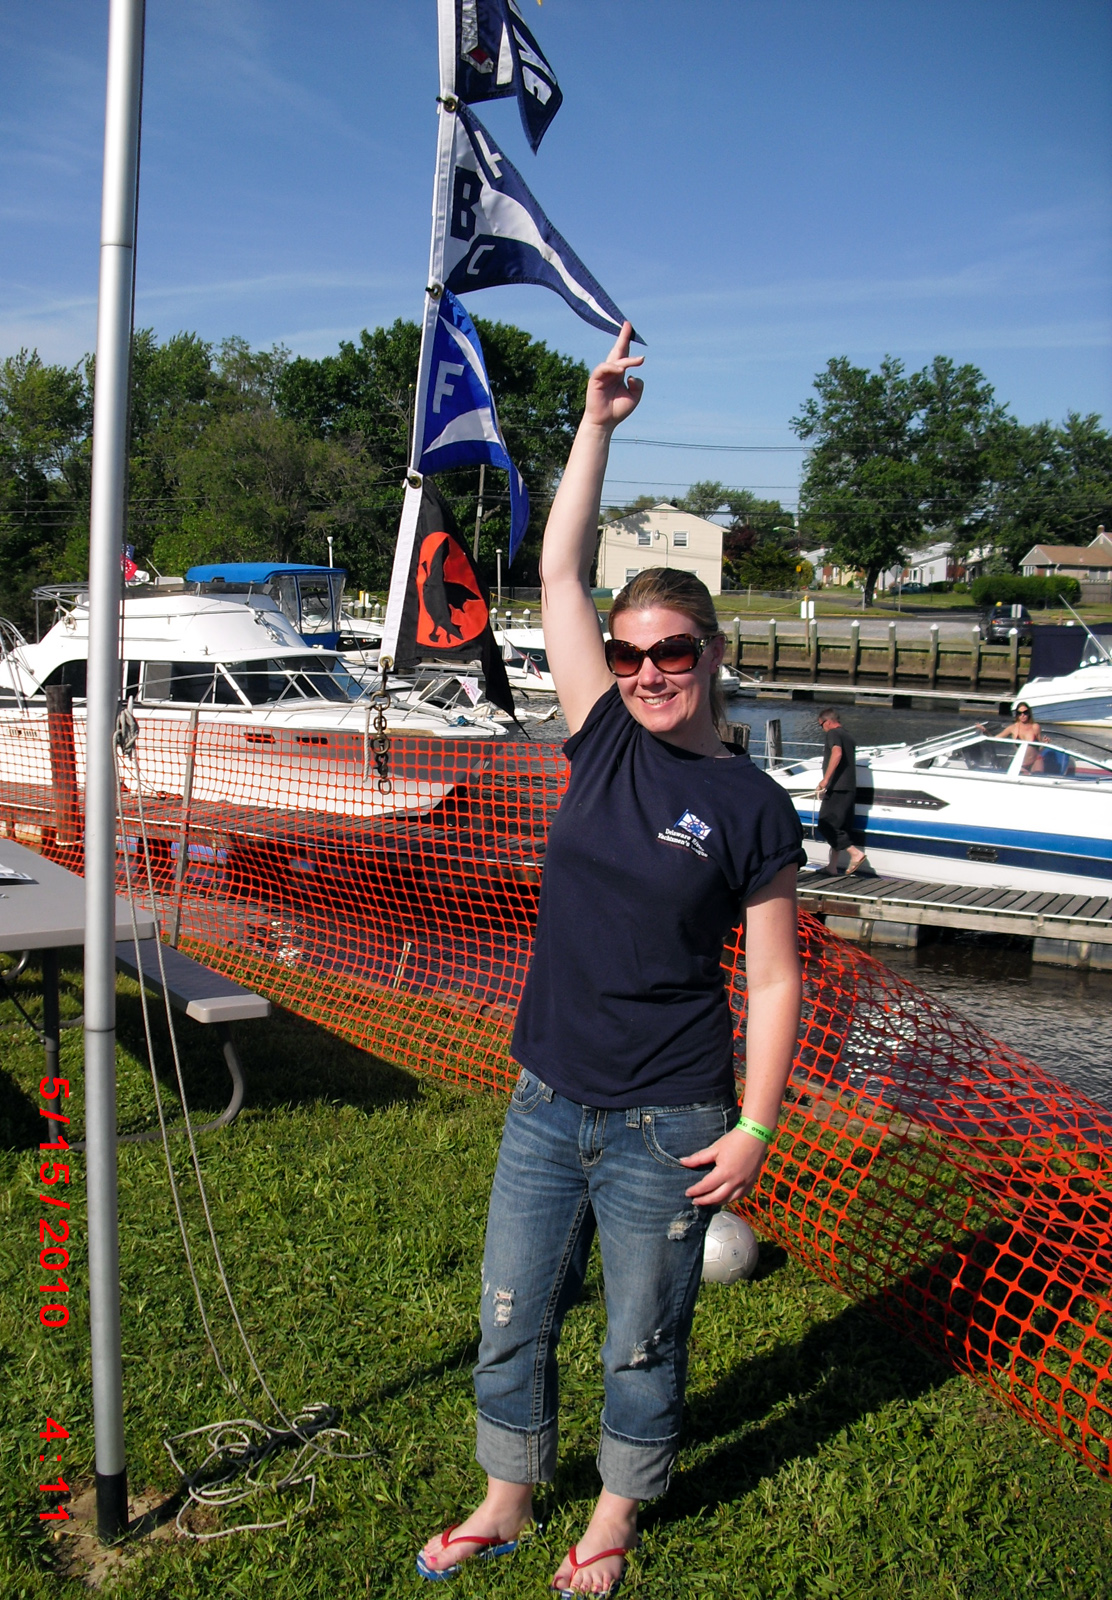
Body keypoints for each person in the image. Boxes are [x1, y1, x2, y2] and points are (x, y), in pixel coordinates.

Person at [417, 325, 805, 1597]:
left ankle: (618, 1515)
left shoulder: (749, 805)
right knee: (512, 1311)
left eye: (669, 654)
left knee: (644, 1334)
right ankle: (508, 1494)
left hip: (671, 1115)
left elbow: (774, 980)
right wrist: (599, 424)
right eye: (628, 654)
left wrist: (753, 1127)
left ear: (709, 658)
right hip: (546, 1097)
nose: (642, 672)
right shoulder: (600, 741)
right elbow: (559, 571)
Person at [814, 708, 865, 875]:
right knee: (839, 827)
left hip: (838, 787)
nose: (822, 729)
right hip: (849, 788)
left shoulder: (833, 734)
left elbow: (837, 753)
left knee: (825, 824)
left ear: (828, 722)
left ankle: (854, 853)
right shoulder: (848, 735)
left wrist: (825, 780)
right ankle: (832, 867)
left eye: (821, 725)